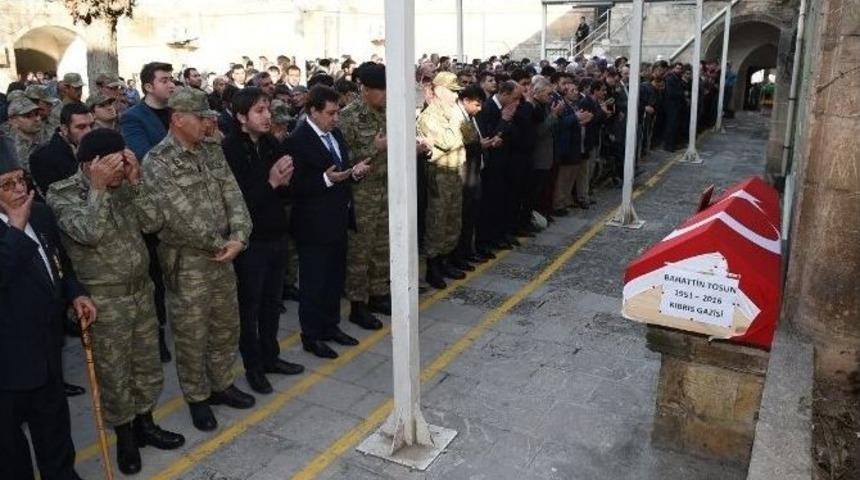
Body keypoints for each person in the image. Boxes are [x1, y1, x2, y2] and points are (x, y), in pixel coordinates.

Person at [47, 129, 185, 474]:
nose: (121, 170)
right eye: (115, 165)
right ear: (93, 164)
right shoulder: (62, 193)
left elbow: (153, 222)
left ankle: (146, 424)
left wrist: (136, 182)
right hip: (104, 303)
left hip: (141, 292)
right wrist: (97, 188)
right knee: (115, 374)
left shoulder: (125, 184)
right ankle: (125, 437)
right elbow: (89, 233)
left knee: (147, 366)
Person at [141, 86, 255, 431]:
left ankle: (221, 384)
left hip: (224, 254)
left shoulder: (211, 151)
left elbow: (233, 194)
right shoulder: (158, 162)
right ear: (178, 119)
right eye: (201, 118)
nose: (208, 124)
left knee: (225, 325)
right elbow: (180, 216)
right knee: (192, 333)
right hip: (189, 261)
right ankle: (197, 396)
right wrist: (222, 243)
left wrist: (240, 237)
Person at [0, 143, 95, 480]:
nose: (19, 189)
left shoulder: (39, 213)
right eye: (6, 184)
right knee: (10, 452)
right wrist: (14, 229)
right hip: (7, 365)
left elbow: (60, 264)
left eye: (20, 179)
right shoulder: (17, 222)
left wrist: (75, 293)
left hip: (46, 350)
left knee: (54, 431)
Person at [222, 87, 305, 395]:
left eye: (268, 109)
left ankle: (271, 358)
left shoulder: (270, 143)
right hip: (250, 242)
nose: (268, 116)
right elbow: (238, 201)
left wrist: (284, 181)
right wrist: (271, 182)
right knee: (250, 307)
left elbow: (284, 191)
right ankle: (253, 367)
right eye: (259, 110)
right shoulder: (230, 149)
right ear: (242, 117)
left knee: (272, 303)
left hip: (275, 234)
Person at [284, 85, 371, 359]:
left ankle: (330, 326)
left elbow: (340, 170)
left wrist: (353, 173)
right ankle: (311, 335)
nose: (336, 118)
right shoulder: (297, 140)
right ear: (313, 111)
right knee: (314, 283)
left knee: (334, 278)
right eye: (331, 113)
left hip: (337, 219)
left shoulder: (335, 134)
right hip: (313, 225)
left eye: (338, 113)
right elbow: (293, 186)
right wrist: (325, 179)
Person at [120, 61, 176, 363]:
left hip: (181, 207)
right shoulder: (133, 118)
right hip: (154, 207)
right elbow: (145, 158)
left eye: (172, 79)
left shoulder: (175, 112)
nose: (171, 84)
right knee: (154, 275)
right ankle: (157, 333)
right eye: (165, 80)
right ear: (148, 86)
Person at [339, 63, 390, 329]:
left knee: (383, 245)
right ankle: (358, 305)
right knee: (361, 250)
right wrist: (375, 147)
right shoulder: (348, 117)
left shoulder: (387, 113)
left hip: (386, 189)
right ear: (365, 89)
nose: (386, 95)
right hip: (362, 194)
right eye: (381, 90)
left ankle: (379, 294)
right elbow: (341, 159)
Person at [417, 72, 470, 289]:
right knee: (437, 221)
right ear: (438, 90)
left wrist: (456, 122)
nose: (455, 95)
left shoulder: (452, 113)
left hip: (455, 170)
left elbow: (470, 137)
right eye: (451, 91)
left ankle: (446, 260)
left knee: (452, 219)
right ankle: (433, 267)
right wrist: (456, 121)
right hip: (439, 173)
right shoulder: (430, 117)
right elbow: (448, 141)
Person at [30, 102, 94, 198]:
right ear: (64, 129)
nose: (89, 132)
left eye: (91, 126)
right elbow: (57, 197)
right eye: (81, 127)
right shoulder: (43, 157)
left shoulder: (96, 146)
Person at [5, 96, 43, 172]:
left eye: (37, 114)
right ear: (13, 121)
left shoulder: (48, 135)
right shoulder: (11, 149)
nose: (37, 119)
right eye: (28, 116)